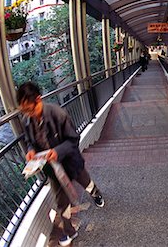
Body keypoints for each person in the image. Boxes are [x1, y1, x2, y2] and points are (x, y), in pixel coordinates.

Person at [17, 82, 104, 246]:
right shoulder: (27, 120)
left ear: (38, 99)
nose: (28, 114)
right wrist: (30, 150)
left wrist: (57, 151)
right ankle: (69, 231)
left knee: (86, 182)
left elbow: (73, 139)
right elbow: (29, 141)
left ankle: (96, 194)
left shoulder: (57, 113)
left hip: (70, 161)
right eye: (24, 111)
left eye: (30, 109)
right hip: (51, 167)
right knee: (61, 201)